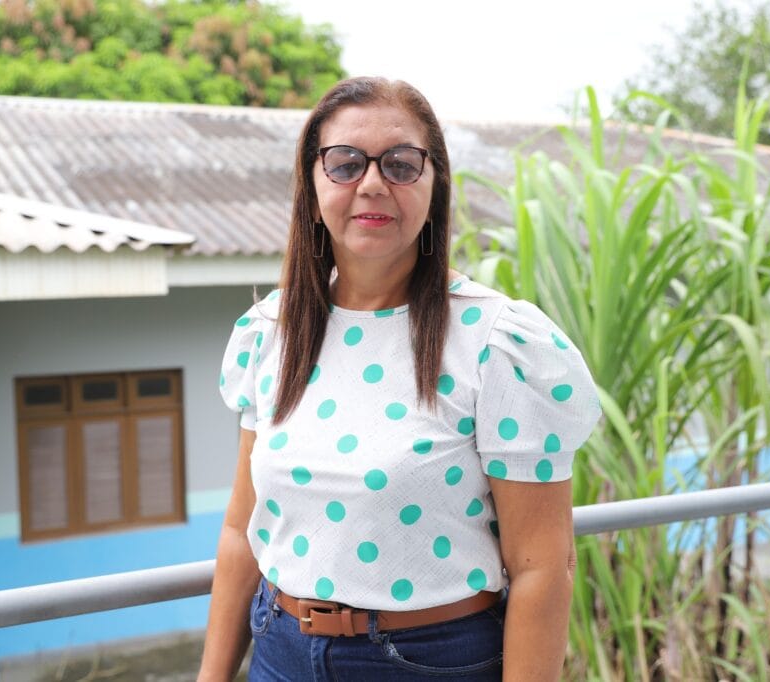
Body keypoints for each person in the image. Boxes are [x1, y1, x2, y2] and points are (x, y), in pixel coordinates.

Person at [197, 76, 601, 681]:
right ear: (311, 184)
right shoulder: (271, 332)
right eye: (344, 163)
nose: (372, 183)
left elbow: (544, 567)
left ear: (434, 186)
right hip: (278, 650)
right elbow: (240, 531)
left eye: (402, 163)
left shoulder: (496, 343)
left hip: (428, 661)